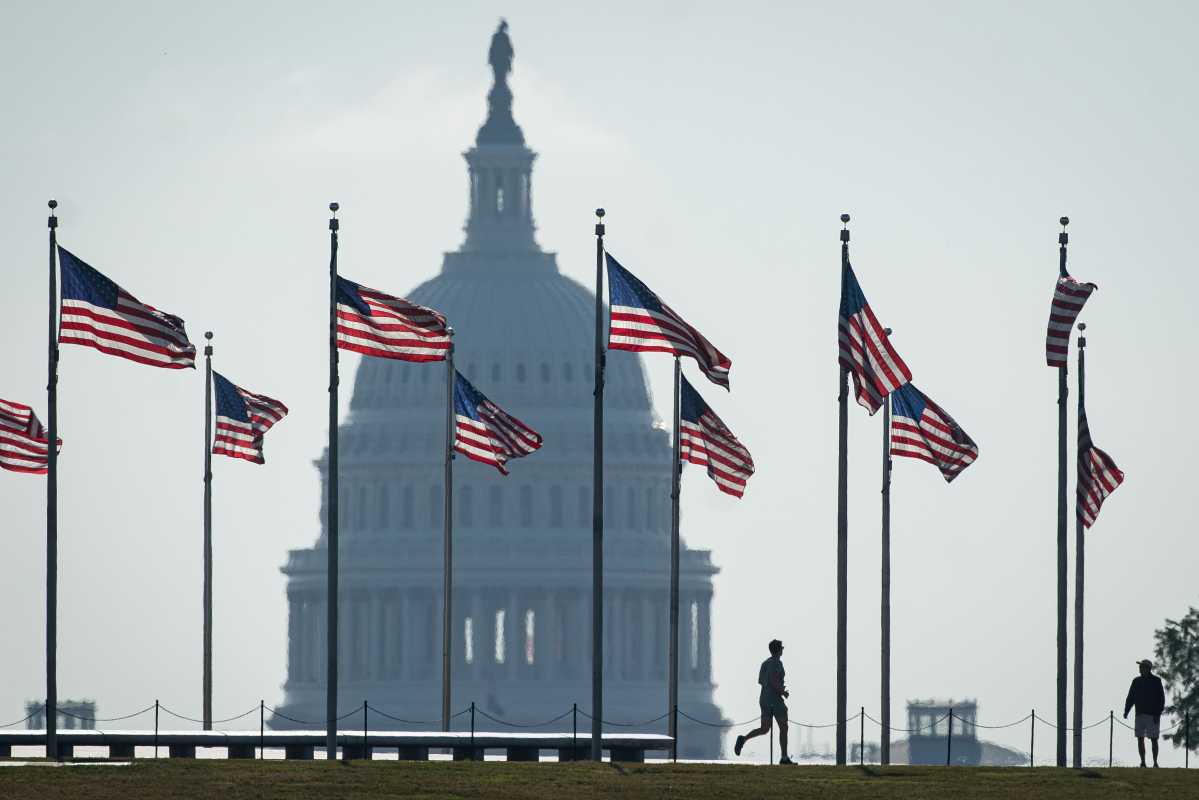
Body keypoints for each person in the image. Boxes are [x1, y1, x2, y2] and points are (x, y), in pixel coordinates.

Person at [734, 639, 794, 764]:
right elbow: (772, 680)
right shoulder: (777, 663)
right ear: (778, 650)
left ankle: (743, 739)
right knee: (783, 726)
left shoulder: (765, 663)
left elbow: (761, 680)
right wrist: (782, 691)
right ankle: (784, 757)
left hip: (764, 699)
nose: (783, 650)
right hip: (774, 700)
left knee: (764, 728)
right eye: (781, 648)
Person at [1123, 659, 1166, 768]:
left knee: (1154, 739)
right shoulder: (1136, 681)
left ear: (1148, 668)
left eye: (1142, 667)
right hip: (1140, 714)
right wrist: (1126, 711)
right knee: (1140, 738)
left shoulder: (1156, 681)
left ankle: (1155, 762)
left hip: (1153, 715)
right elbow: (1131, 697)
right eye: (1140, 667)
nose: (1140, 669)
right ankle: (1143, 762)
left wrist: (1158, 713)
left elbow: (1161, 699)